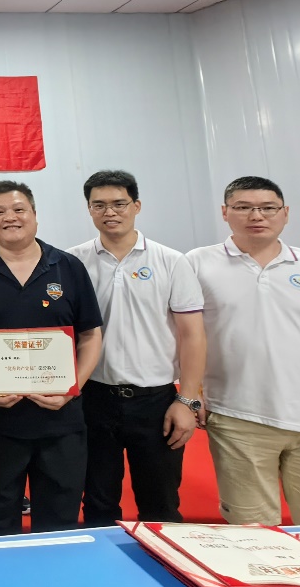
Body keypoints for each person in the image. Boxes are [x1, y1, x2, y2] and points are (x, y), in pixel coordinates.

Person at [187, 176, 300, 525]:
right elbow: (185, 334)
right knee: (254, 536)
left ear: (285, 213)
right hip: (238, 418)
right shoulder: (197, 263)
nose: (256, 216)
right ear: (225, 212)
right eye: (243, 208)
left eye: (267, 208)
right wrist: (191, 393)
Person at [0, 180, 103, 533]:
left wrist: (72, 388)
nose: (10, 217)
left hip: (60, 415)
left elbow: (90, 334)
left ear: (35, 215)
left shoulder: (68, 266)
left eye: (19, 209)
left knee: (60, 513)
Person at [68, 170, 206, 525]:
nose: (110, 212)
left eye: (119, 203)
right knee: (97, 503)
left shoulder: (171, 261)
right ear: (89, 209)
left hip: (156, 401)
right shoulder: (72, 262)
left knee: (161, 505)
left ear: (136, 206)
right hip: (93, 398)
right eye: (99, 205)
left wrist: (187, 400)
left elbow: (192, 335)